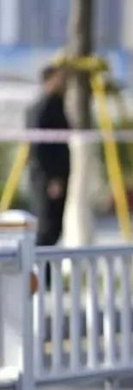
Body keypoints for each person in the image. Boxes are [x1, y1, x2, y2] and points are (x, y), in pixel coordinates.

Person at [26, 65, 70, 271]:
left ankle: (47, 277)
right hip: (48, 179)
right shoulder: (42, 107)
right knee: (46, 228)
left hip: (58, 176)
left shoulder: (58, 104)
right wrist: (52, 178)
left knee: (54, 229)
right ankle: (38, 276)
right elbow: (39, 148)